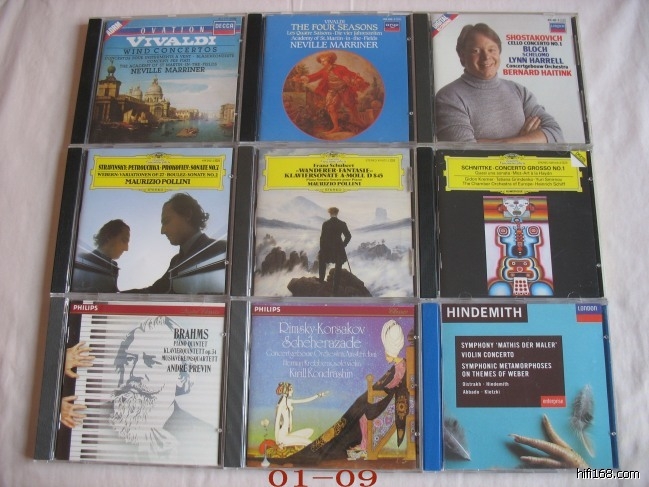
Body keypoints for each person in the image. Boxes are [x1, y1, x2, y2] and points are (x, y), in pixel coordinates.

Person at [272, 320, 409, 465]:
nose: (386, 356)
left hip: (383, 402)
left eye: (387, 353)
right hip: (376, 399)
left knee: (359, 414)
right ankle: (358, 444)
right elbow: (385, 385)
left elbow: (391, 387)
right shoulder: (399, 365)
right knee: (355, 412)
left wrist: (372, 394)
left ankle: (362, 446)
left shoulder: (400, 367)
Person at [110, 316, 218, 462]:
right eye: (130, 359)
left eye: (151, 361)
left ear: (181, 375)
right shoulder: (92, 418)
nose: (135, 372)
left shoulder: (205, 437)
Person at [435, 23, 564, 143]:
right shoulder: (449, 97)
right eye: (476, 51)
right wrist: (527, 140)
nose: (486, 57)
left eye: (492, 50)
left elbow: (556, 134)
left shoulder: (518, 91)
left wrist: (509, 143)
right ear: (462, 55)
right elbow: (464, 152)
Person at [125, 193, 225, 293]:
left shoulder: (223, 250)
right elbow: (156, 291)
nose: (162, 231)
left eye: (166, 221)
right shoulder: (175, 261)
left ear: (187, 215)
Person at [296, 51, 370, 134]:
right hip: (332, 91)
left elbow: (351, 74)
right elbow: (314, 76)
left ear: (330, 60)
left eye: (324, 60)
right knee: (331, 108)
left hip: (344, 89)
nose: (322, 63)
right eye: (321, 61)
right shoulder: (324, 70)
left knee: (351, 105)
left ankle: (358, 121)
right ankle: (336, 127)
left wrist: (357, 79)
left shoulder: (340, 68)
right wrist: (302, 78)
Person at [71, 219, 130, 292]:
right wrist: (89, 293)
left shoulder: (114, 267)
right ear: (109, 237)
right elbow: (69, 289)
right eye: (124, 240)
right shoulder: (82, 259)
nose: (126, 248)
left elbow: (114, 294)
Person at [274, 383, 328, 448]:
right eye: (291, 389)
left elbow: (304, 400)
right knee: (309, 442)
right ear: (286, 391)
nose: (292, 391)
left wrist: (318, 395)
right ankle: (288, 442)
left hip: (287, 434)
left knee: (310, 431)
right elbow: (277, 422)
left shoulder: (288, 401)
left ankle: (294, 442)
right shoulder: (281, 404)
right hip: (282, 438)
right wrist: (277, 442)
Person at [318, 207, 352, 295]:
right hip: (338, 249)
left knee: (321, 260)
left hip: (327, 249)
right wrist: (343, 245)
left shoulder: (325, 224)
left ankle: (321, 280)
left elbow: (322, 238)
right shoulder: (342, 224)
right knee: (338, 268)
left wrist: (322, 250)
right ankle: (335, 290)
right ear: (337, 213)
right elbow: (348, 236)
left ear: (330, 214)